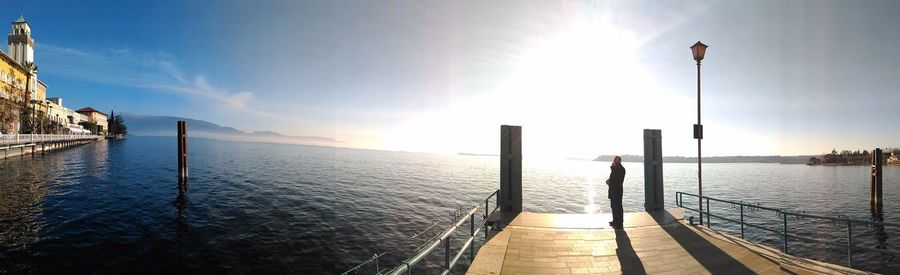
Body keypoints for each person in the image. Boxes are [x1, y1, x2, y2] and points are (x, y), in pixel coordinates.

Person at [606, 156, 626, 228]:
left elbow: (617, 180)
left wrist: (610, 182)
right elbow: (613, 178)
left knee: (617, 206)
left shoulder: (620, 169)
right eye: (615, 160)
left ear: (620, 161)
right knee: (614, 206)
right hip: (614, 190)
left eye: (616, 160)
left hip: (617, 191)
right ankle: (615, 221)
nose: (615, 161)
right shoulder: (616, 169)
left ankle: (619, 222)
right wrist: (609, 181)